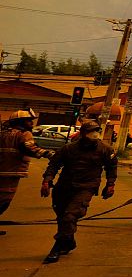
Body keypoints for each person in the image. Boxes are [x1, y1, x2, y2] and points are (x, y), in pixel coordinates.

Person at [40, 121, 116, 263]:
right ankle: (69, 240)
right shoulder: (69, 149)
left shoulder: (105, 149)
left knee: (70, 216)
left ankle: (57, 247)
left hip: (86, 187)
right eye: (91, 132)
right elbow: (54, 164)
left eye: (96, 131)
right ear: (82, 134)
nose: (94, 135)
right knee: (62, 216)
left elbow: (111, 167)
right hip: (64, 186)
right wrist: (47, 180)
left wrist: (110, 184)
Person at [0, 108, 51, 234]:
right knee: (4, 201)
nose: (31, 124)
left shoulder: (3, 133)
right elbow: (29, 148)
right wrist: (48, 153)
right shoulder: (23, 134)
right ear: (21, 122)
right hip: (11, 172)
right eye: (29, 121)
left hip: (3, 170)